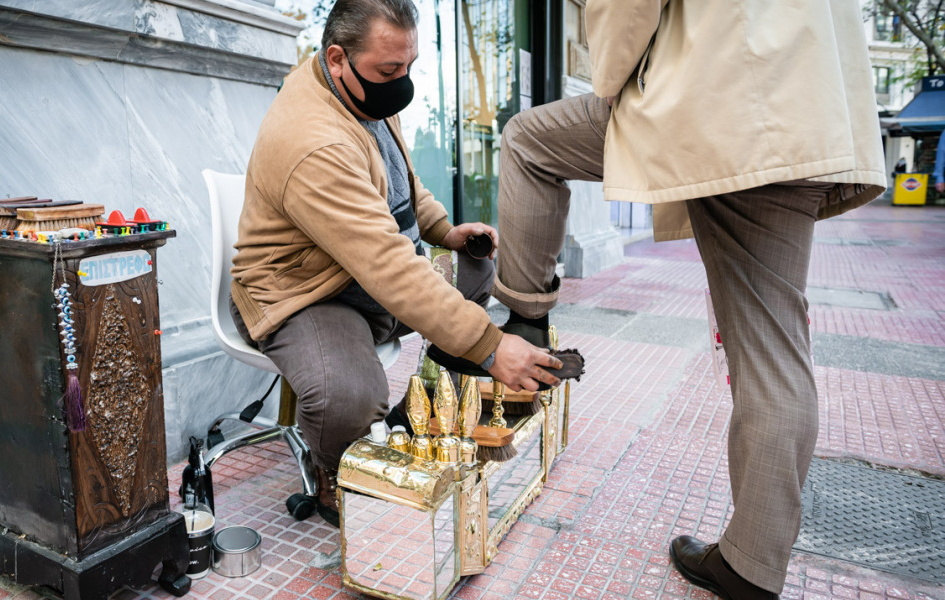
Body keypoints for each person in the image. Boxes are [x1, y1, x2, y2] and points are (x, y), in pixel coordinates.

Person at [492, 2, 885, 599]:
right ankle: (755, 561)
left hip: (725, 102)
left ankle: (526, 322)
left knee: (526, 139)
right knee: (776, 348)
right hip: (808, 112)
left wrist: (612, 81)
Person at [229, 0, 561, 527]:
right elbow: (388, 265)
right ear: (337, 58)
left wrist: (443, 231)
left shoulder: (363, 92)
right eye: (390, 71)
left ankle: (427, 396)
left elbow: (400, 180)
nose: (402, 83)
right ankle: (337, 482)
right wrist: (491, 347)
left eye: (409, 67)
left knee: (475, 267)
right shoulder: (311, 141)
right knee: (350, 399)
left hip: (367, 274)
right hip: (310, 292)